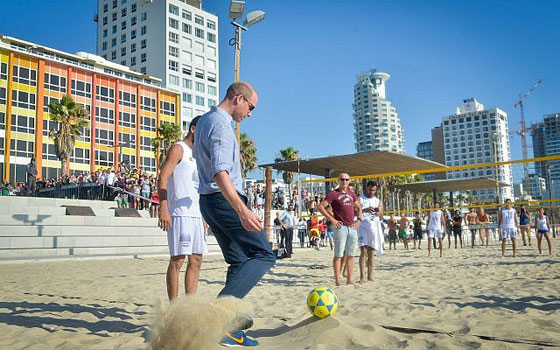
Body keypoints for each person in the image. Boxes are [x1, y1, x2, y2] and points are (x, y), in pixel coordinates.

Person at [194, 82, 275, 347]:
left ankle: (229, 327)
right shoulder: (220, 124)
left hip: (209, 201)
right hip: (224, 200)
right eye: (250, 107)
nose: (250, 113)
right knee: (263, 254)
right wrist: (241, 209)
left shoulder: (205, 120)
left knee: (239, 262)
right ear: (238, 98)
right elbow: (220, 172)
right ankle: (217, 317)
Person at [158, 116, 207, 300]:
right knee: (177, 260)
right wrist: (164, 208)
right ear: (193, 129)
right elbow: (162, 178)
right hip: (179, 213)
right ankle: (174, 307)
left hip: (197, 214)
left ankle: (189, 306)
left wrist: (204, 216)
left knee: (196, 260)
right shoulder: (179, 148)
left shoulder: (200, 155)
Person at [318, 173, 362, 286]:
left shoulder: (351, 194)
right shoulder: (334, 194)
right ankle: (338, 280)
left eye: (347, 179)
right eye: (342, 179)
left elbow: (359, 207)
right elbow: (321, 207)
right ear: (338, 180)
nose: (345, 182)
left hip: (351, 227)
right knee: (338, 255)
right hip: (340, 227)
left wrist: (359, 220)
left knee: (351, 255)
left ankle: (350, 279)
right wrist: (332, 220)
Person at [357, 181, 384, 283]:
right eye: (370, 190)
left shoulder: (378, 201)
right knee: (363, 251)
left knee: (371, 252)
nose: (372, 192)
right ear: (366, 188)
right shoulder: (360, 199)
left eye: (374, 190)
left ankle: (370, 276)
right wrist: (365, 210)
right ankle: (362, 277)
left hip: (373, 227)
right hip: (363, 227)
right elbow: (354, 211)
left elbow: (381, 214)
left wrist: (378, 213)